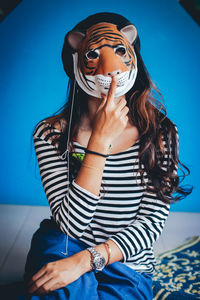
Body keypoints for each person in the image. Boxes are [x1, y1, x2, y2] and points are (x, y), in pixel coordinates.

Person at [23, 12, 192, 300]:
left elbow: (151, 222)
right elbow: (71, 226)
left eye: (118, 51)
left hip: (128, 261)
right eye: (93, 54)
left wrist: (86, 261)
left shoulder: (161, 132)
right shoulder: (50, 133)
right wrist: (98, 143)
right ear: (76, 62)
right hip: (64, 245)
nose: (110, 70)